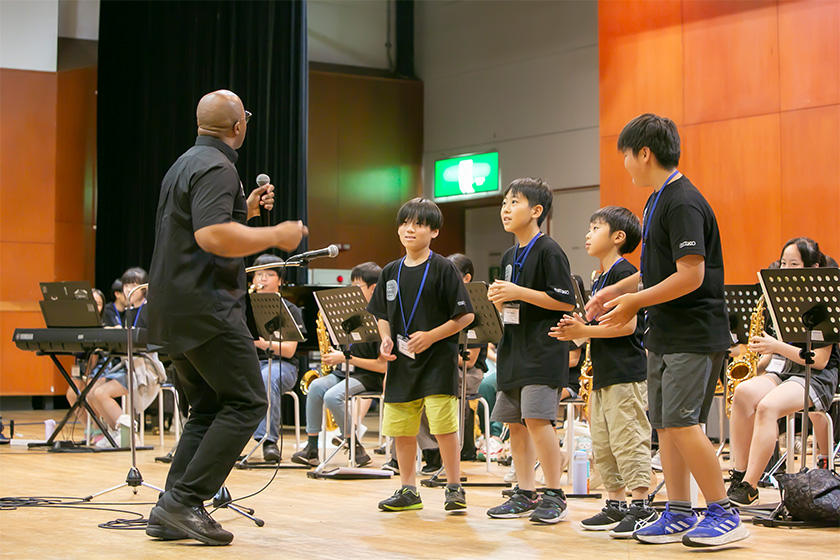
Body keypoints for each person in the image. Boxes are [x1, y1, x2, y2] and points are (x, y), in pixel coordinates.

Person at [145, 89, 307, 546]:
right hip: (206, 308)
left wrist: (247, 209)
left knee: (210, 406)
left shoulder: (185, 163)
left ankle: (168, 508)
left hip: (173, 309)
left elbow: (197, 225)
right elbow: (212, 234)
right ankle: (184, 502)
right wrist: (275, 233)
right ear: (238, 126)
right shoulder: (219, 167)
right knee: (248, 402)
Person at [586, 114, 748, 547]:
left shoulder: (683, 201)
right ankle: (678, 511)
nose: (625, 163)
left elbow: (691, 275)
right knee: (665, 424)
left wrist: (634, 303)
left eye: (626, 154)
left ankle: (723, 512)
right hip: (664, 334)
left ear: (644, 153)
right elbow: (652, 272)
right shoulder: (656, 200)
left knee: (681, 421)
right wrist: (614, 292)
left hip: (693, 334)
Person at [551, 205, 656, 538]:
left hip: (626, 373)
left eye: (595, 227)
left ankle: (641, 506)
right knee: (604, 443)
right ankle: (615, 503)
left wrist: (585, 331)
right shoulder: (601, 277)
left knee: (628, 440)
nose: (587, 234)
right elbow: (599, 327)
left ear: (617, 237)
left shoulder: (626, 273)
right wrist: (577, 328)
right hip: (604, 373)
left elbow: (627, 327)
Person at [367, 197, 474, 512]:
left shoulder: (444, 268)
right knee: (401, 428)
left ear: (434, 232)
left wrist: (431, 336)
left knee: (443, 426)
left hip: (437, 362)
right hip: (401, 362)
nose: (409, 230)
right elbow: (382, 314)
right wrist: (385, 339)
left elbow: (465, 317)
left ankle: (454, 487)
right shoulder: (390, 271)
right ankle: (408, 489)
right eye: (404, 223)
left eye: (418, 224)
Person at [485, 178, 576, 524]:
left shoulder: (549, 250)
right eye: (504, 203)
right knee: (515, 425)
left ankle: (554, 494)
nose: (506, 209)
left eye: (514, 202)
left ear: (536, 211)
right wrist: (502, 299)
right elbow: (516, 302)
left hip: (542, 349)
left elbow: (564, 300)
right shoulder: (510, 255)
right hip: (514, 349)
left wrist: (518, 292)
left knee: (538, 421)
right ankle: (524, 492)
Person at [727, 237, 839, 506]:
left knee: (767, 407)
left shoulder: (824, 303)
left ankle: (750, 485)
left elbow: (820, 361)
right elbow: (774, 357)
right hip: (785, 371)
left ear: (812, 268)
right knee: (743, 393)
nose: (786, 269)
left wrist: (776, 346)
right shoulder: (781, 300)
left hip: (816, 377)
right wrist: (759, 359)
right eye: (784, 263)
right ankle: (738, 472)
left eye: (794, 264)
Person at [291, 262, 387, 467]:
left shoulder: (382, 320)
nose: (351, 292)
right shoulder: (351, 316)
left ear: (373, 288)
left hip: (368, 377)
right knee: (316, 387)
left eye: (357, 287)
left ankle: (355, 446)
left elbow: (382, 366)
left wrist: (345, 359)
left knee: (333, 396)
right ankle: (311, 448)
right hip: (345, 373)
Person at [247, 253, 306, 463]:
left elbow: (290, 351)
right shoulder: (243, 308)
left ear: (280, 280)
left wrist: (262, 344)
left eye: (269, 275)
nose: (262, 279)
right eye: (258, 275)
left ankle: (269, 441)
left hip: (283, 366)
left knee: (267, 377)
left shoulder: (290, 310)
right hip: (250, 363)